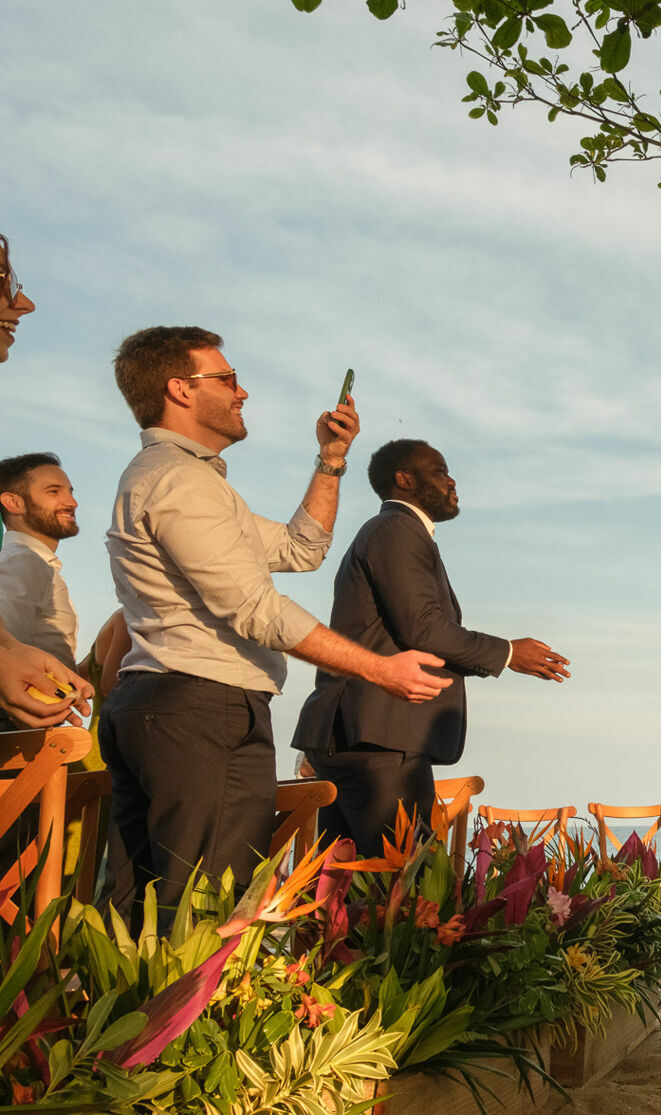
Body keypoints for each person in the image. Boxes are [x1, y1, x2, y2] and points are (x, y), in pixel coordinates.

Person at [101, 327, 450, 918]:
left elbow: (299, 548)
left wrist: (331, 461)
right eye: (228, 379)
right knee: (206, 911)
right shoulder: (178, 479)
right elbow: (255, 609)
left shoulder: (195, 483)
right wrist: (379, 669)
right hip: (198, 706)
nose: (242, 393)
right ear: (179, 390)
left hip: (176, 705)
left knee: (143, 913)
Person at [294, 440, 570, 860]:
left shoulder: (394, 532)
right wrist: (509, 653)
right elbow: (423, 627)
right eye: (440, 471)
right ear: (404, 479)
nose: (452, 479)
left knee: (341, 895)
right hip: (380, 739)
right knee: (404, 887)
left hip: (359, 738)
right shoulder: (396, 529)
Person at [0, 235, 93, 729]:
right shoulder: (22, 562)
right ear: (11, 501)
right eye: (4, 281)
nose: (25, 303)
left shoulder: (41, 565)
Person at [0, 454, 79, 668]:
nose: (72, 503)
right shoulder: (25, 561)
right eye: (53, 492)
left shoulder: (37, 563)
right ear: (13, 502)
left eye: (70, 492)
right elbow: (6, 650)